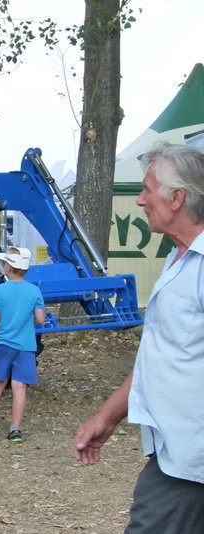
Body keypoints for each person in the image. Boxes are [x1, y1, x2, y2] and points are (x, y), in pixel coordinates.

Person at [74, 142, 204, 532]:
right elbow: (160, 354)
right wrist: (108, 416)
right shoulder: (178, 259)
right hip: (177, 451)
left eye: (148, 190)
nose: (140, 201)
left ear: (177, 198)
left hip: (190, 457)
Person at [0, 247, 45, 443]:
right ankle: (15, 429)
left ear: (9, 267)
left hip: (3, 343)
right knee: (19, 386)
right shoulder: (34, 291)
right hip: (25, 345)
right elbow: (40, 319)